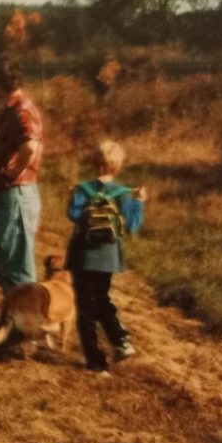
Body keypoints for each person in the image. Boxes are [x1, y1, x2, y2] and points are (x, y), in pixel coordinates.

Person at [66, 140, 146, 375]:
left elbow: (73, 215)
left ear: (94, 163)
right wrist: (139, 202)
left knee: (85, 307)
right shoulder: (123, 194)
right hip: (108, 257)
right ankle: (121, 341)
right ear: (118, 166)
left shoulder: (82, 189)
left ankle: (96, 362)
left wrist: (72, 198)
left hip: (82, 256)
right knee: (101, 298)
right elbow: (132, 225)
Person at [0, 54, 43, 294]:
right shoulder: (13, 109)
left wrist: (12, 171)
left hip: (17, 194)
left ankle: (29, 321)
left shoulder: (22, 110)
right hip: (11, 195)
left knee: (17, 263)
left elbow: (31, 145)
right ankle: (16, 307)